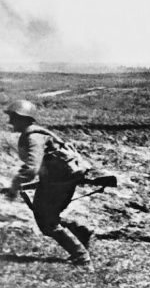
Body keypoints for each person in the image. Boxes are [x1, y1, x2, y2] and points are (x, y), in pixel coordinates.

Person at [3, 100, 93, 267]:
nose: (10, 121)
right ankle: (80, 231)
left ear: (23, 118)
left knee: (47, 224)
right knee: (47, 216)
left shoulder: (33, 137)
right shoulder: (34, 134)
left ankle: (82, 257)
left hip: (58, 182)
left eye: (13, 117)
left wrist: (16, 184)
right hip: (58, 180)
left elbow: (32, 168)